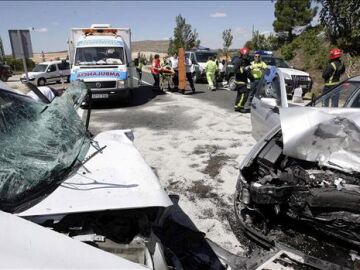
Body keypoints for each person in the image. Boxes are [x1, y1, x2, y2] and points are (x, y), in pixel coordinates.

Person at [232, 47, 253, 112]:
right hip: (239, 81)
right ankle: (240, 107)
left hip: (244, 80)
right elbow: (235, 71)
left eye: (246, 54)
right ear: (241, 54)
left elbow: (248, 71)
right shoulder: (238, 61)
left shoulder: (247, 61)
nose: (246, 56)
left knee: (240, 94)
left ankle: (236, 106)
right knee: (245, 93)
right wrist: (243, 69)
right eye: (244, 55)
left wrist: (251, 77)